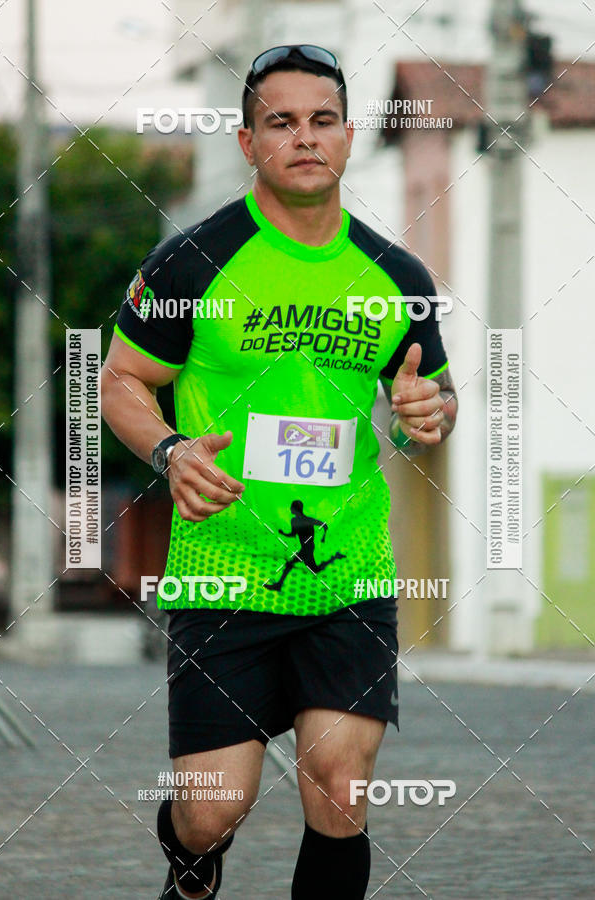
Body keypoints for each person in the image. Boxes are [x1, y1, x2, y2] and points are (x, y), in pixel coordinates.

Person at [101, 44, 457, 900]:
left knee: (339, 786)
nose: (305, 137)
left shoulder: (398, 276)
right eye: (282, 121)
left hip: (348, 572)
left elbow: (431, 406)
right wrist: (169, 449)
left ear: (348, 137)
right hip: (224, 573)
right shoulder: (194, 261)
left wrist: (427, 417)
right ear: (248, 141)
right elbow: (120, 378)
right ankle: (190, 857)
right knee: (212, 810)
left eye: (323, 120)